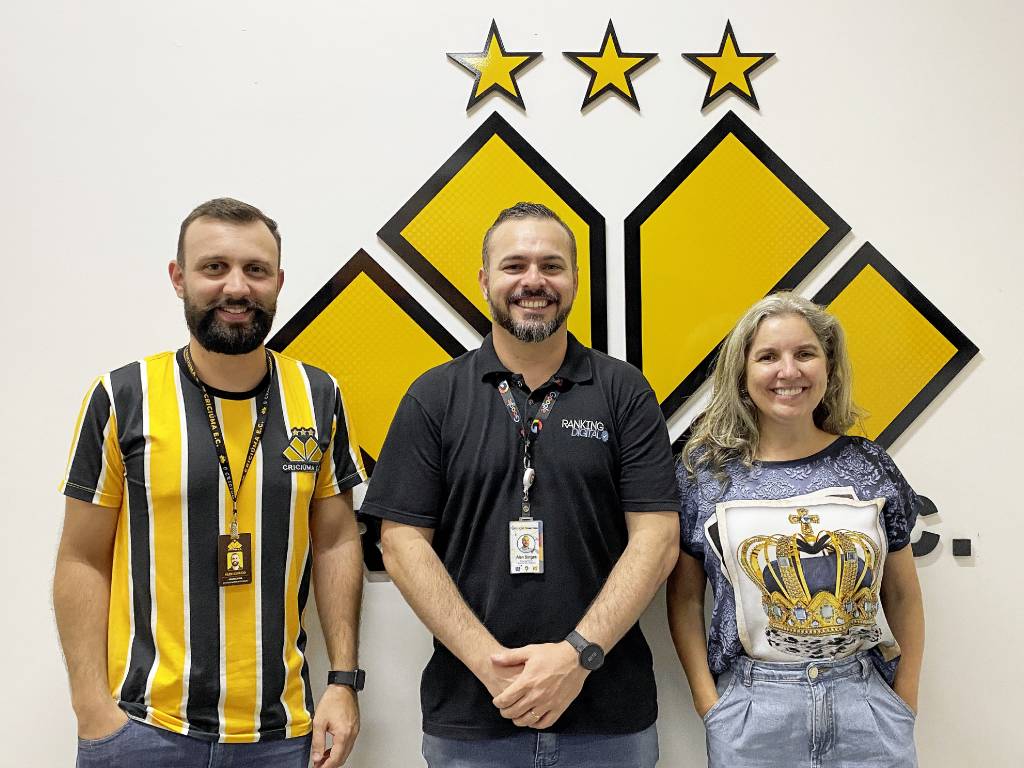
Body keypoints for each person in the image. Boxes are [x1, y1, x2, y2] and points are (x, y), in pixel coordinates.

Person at [361, 202, 680, 767]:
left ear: (575, 280)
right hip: (472, 720)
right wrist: (492, 666)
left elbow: (657, 539)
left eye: (551, 266)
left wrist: (576, 656)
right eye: (514, 266)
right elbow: (401, 543)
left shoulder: (624, 392)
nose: (534, 281)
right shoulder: (434, 397)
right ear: (485, 280)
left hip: (608, 720)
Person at [54, 198, 368, 768]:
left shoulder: (318, 395)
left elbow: (338, 541)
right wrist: (91, 708)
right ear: (179, 278)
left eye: (256, 269)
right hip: (142, 729)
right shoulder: (123, 396)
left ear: (278, 283)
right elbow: (81, 558)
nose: (236, 287)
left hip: (281, 735)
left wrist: (343, 681)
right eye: (214, 267)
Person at [667, 292, 924, 767]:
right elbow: (684, 599)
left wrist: (903, 700)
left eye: (805, 353)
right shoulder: (706, 475)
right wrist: (711, 705)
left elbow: (903, 594)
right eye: (768, 357)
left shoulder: (869, 466)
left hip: (865, 704)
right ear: (742, 374)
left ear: (829, 367)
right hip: (753, 712)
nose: (789, 371)